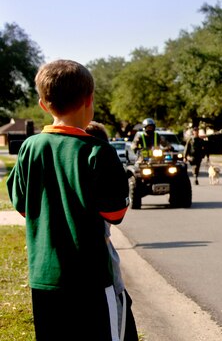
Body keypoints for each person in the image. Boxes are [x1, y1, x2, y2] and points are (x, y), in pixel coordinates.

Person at [7, 59, 131, 340]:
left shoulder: (29, 148)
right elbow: (115, 213)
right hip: (91, 280)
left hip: (43, 279)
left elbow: (23, 205)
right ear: (90, 100)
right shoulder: (98, 152)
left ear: (42, 104)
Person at [86, 121, 138, 341]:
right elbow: (116, 214)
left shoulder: (35, 148)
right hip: (99, 265)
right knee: (116, 322)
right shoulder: (101, 155)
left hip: (51, 275)